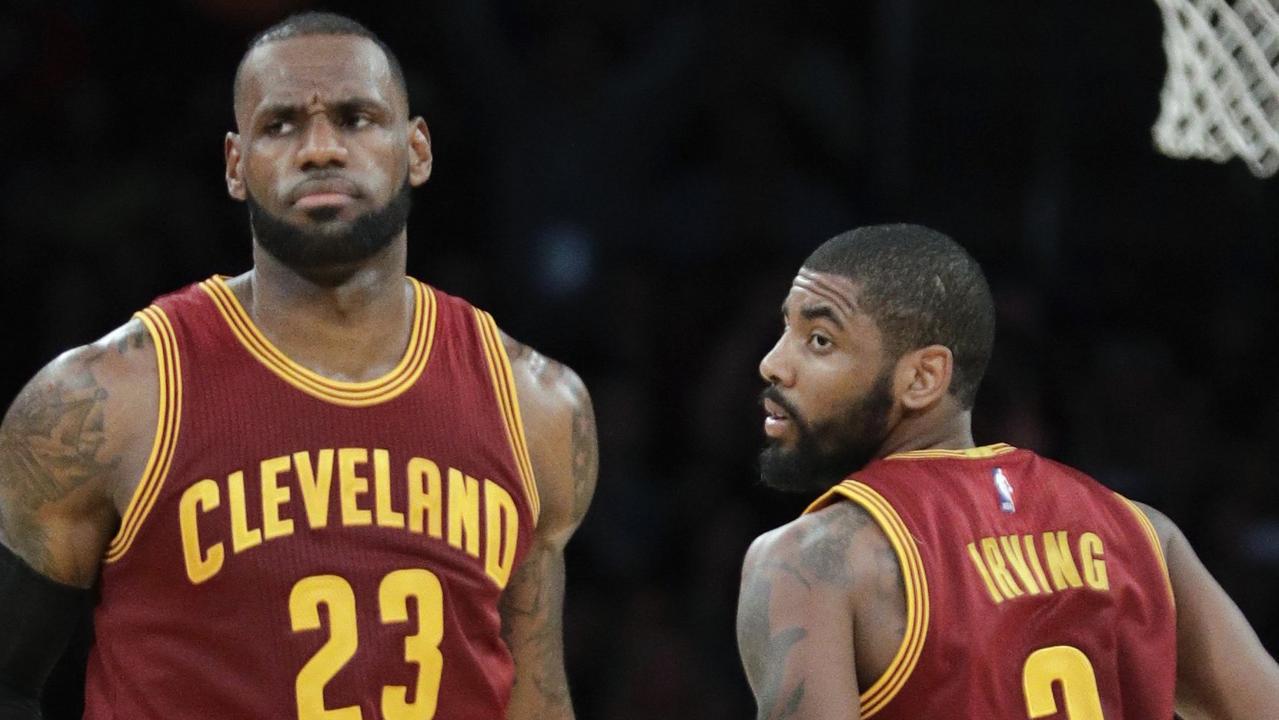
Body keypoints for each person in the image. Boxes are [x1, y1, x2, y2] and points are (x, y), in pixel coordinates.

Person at [0, 12, 596, 720]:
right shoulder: (103, 401)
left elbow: (537, 699)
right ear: (233, 164)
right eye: (281, 125)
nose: (320, 150)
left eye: (355, 118)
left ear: (417, 150)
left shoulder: (537, 405)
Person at [736, 223, 1279, 719]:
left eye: (820, 341)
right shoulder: (1143, 535)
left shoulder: (812, 562)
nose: (773, 363)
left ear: (923, 378)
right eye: (785, 330)